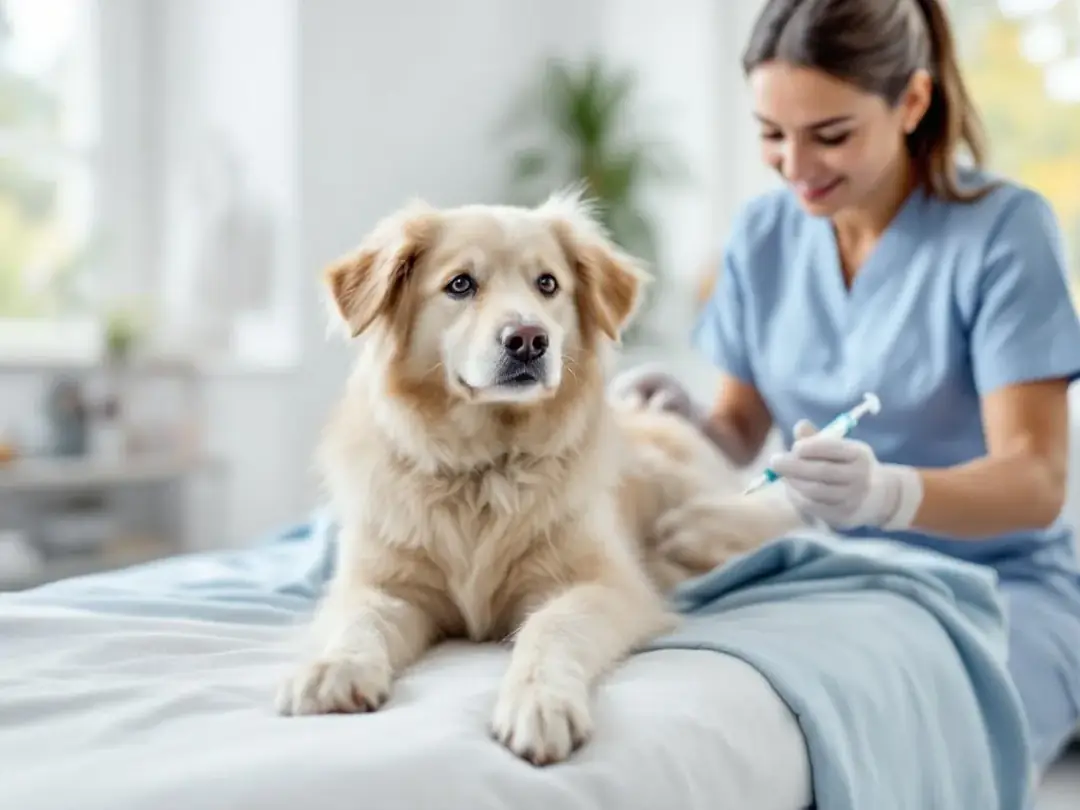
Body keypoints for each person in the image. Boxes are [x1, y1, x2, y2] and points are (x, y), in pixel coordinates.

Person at [613, 0, 1080, 773]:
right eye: (771, 133)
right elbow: (739, 431)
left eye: (830, 135)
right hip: (840, 577)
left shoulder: (1004, 233)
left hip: (1003, 588)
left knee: (913, 751)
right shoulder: (763, 235)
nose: (796, 166)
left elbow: (1035, 482)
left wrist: (890, 494)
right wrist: (683, 418)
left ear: (913, 102)